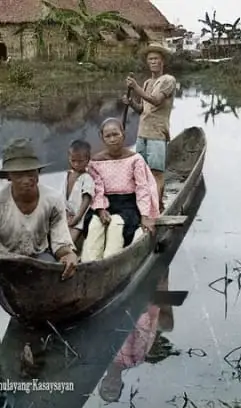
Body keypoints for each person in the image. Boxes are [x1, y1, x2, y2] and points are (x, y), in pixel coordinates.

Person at [0, 138, 79, 280]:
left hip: (39, 257)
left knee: (56, 270)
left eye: (31, 173)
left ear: (38, 172)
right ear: (8, 176)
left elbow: (60, 242)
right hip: (5, 259)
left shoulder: (53, 200)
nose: (26, 180)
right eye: (19, 175)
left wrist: (68, 255)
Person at [81, 118, 160, 262]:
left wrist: (145, 216)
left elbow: (142, 188)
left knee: (116, 225)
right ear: (102, 138)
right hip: (105, 204)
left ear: (123, 134)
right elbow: (98, 189)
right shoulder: (96, 162)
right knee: (94, 225)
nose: (112, 139)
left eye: (115, 134)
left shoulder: (135, 159)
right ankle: (89, 264)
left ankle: (109, 262)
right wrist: (100, 209)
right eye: (108, 136)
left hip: (128, 204)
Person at [122, 42, 177, 212]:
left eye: (156, 59)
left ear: (162, 62)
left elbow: (156, 100)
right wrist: (131, 102)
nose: (153, 62)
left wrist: (135, 87)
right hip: (142, 133)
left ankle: (157, 206)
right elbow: (143, 109)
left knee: (156, 172)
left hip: (157, 133)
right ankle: (143, 205)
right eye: (150, 59)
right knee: (141, 171)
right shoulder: (147, 83)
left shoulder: (168, 80)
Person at [60, 139, 95, 244]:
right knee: (58, 235)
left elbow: (86, 200)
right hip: (66, 214)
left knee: (70, 241)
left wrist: (77, 217)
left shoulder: (87, 178)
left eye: (80, 161)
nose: (76, 164)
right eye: (73, 160)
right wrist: (65, 212)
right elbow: (62, 196)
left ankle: (68, 253)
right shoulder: (67, 175)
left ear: (88, 160)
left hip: (79, 217)